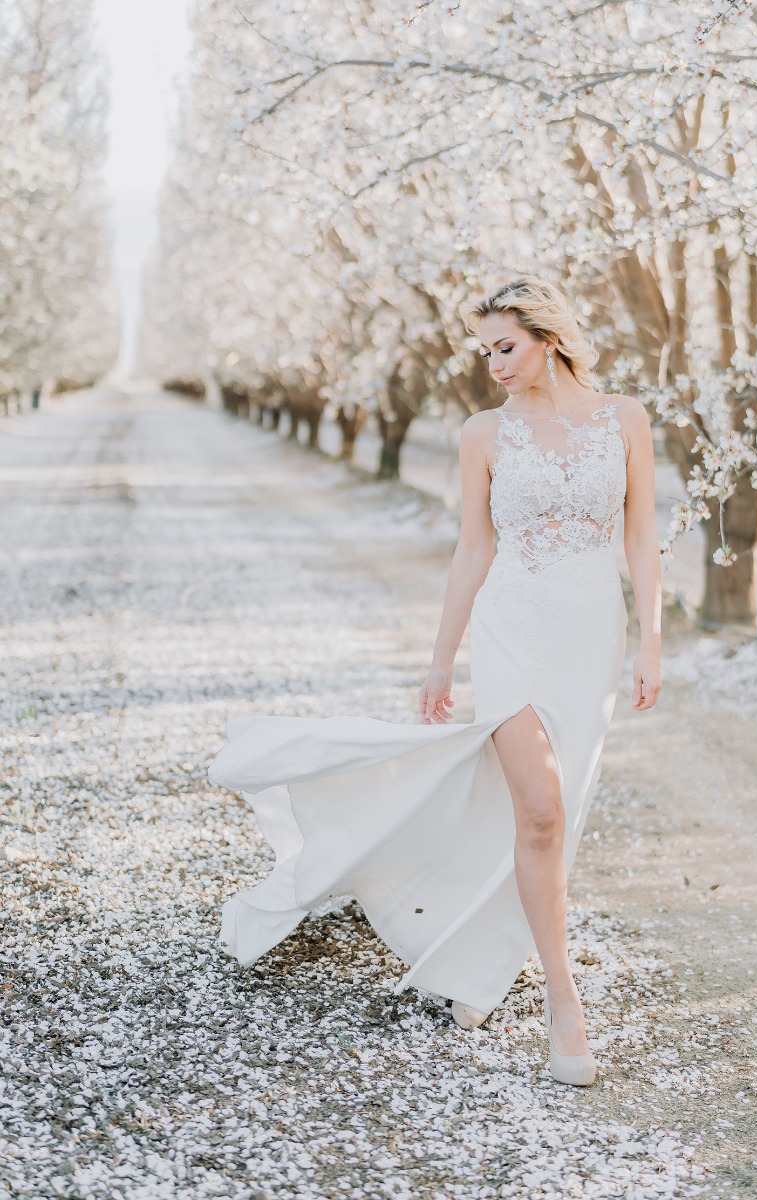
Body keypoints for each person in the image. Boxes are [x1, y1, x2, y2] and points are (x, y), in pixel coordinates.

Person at [208, 274, 662, 1087]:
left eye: (506, 346)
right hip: (510, 629)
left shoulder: (625, 418)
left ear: (547, 336)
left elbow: (640, 538)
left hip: (592, 634)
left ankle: (477, 961)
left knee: (555, 818)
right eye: (485, 349)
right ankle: (564, 1002)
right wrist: (441, 658)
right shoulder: (482, 434)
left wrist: (653, 642)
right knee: (541, 811)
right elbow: (474, 550)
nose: (493, 362)